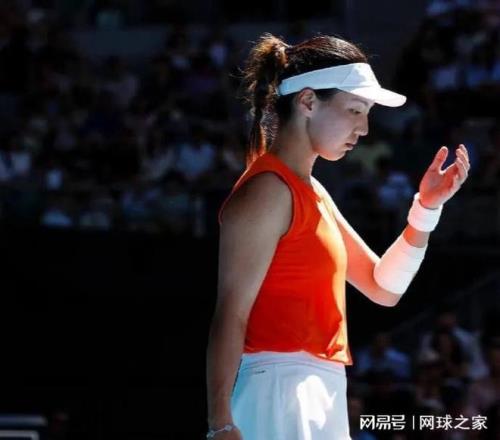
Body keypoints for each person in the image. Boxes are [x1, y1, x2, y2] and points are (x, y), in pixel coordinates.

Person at [205, 33, 470, 440]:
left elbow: (384, 288)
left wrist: (426, 209)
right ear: (308, 102)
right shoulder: (268, 191)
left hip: (321, 388)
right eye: (354, 110)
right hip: (277, 389)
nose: (363, 128)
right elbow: (231, 313)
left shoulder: (312, 191)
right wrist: (220, 422)